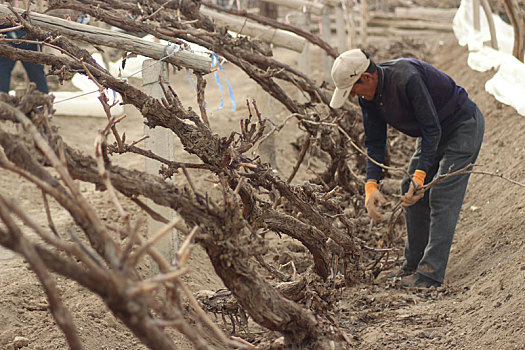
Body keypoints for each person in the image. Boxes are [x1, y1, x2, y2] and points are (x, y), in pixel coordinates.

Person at [329, 49, 484, 288]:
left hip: (461, 126)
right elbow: (375, 142)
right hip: (432, 133)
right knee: (408, 188)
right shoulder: (368, 98)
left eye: (352, 90)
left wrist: (421, 176)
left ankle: (430, 274)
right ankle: (413, 264)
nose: (353, 96)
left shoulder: (407, 79)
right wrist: (371, 185)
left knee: (441, 193)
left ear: (367, 78)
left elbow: (432, 129)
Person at [0, 28, 49, 94]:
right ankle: (43, 99)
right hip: (10, 35)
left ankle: (42, 99)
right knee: (36, 72)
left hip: (18, 35)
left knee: (2, 71)